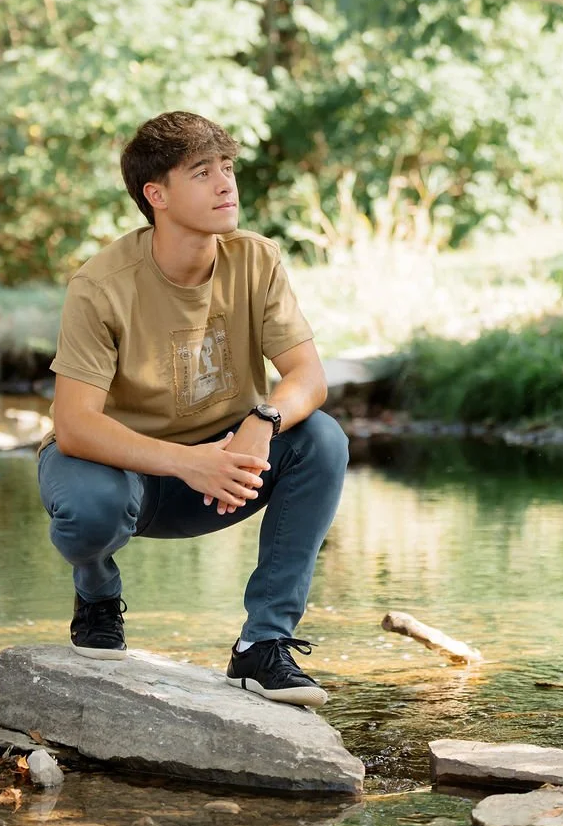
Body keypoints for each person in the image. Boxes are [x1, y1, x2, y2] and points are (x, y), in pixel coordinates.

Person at [36, 111, 350, 707]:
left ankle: (263, 645)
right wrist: (187, 462)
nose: (226, 184)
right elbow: (73, 426)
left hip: (225, 471)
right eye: (202, 172)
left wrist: (263, 422)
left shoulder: (257, 260)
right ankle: (98, 592)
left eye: (227, 168)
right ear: (156, 195)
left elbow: (309, 377)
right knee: (88, 509)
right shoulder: (100, 285)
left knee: (323, 441)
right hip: (121, 473)